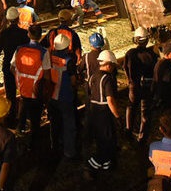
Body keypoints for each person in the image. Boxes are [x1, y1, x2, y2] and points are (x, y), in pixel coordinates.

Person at [11, 24, 51, 141]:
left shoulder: (19, 49)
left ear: (28, 34)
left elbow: (12, 68)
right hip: (36, 92)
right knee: (35, 120)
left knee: (22, 115)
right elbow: (47, 75)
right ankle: (33, 144)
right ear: (40, 36)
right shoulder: (43, 52)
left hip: (23, 89)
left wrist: (20, 79)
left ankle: (19, 136)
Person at [85, 49, 120, 178]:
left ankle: (106, 164)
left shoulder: (93, 76)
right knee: (107, 140)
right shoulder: (108, 79)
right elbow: (110, 100)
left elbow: (89, 94)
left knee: (100, 140)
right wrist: (117, 116)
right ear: (109, 65)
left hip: (93, 111)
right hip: (104, 114)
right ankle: (93, 164)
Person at [47, 30, 79, 159]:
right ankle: (69, 151)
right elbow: (73, 81)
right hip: (64, 96)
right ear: (67, 46)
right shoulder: (68, 61)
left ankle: (55, 146)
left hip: (51, 96)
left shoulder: (49, 56)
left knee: (54, 123)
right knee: (69, 125)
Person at [124, 26, 158, 143]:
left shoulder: (130, 53)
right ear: (147, 40)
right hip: (147, 86)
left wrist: (130, 82)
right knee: (145, 111)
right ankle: (142, 137)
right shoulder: (152, 55)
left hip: (134, 85)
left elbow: (125, 68)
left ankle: (128, 130)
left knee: (131, 106)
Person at [0, 7, 29, 120]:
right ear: (17, 18)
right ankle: (22, 118)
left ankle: (11, 116)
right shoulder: (24, 33)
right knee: (24, 92)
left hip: (7, 66)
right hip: (21, 66)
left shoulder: (3, 33)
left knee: (10, 93)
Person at [153, 40, 171, 115]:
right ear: (167, 54)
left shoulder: (163, 63)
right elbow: (168, 82)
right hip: (168, 100)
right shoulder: (166, 65)